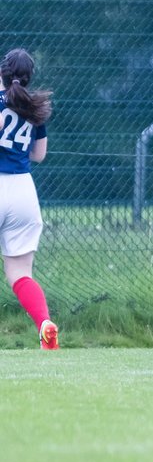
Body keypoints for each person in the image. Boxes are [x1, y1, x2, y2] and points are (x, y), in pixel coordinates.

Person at [0, 49, 57, 350]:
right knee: (21, 273)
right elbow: (39, 155)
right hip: (23, 191)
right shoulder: (35, 109)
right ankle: (45, 324)